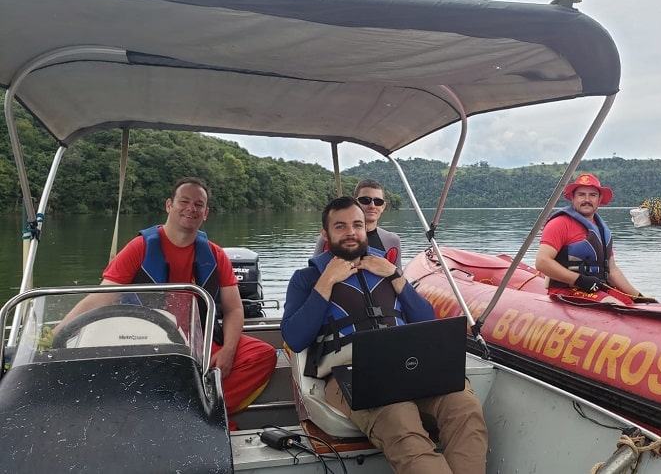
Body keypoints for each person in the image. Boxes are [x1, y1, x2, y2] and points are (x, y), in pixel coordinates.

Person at [283, 196, 488, 474]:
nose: (351, 232)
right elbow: (294, 338)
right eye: (340, 226)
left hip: (408, 367)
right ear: (325, 234)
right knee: (399, 419)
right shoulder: (307, 278)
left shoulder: (388, 271)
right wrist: (327, 280)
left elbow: (426, 321)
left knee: (464, 406)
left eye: (357, 224)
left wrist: (395, 275)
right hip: (350, 375)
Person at [54, 177, 277, 424]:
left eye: (199, 204)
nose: (191, 208)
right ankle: (179, 413)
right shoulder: (140, 248)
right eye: (184, 201)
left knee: (263, 355)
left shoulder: (215, 255)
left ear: (206, 213)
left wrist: (228, 350)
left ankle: (198, 414)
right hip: (147, 342)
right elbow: (99, 299)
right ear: (169, 205)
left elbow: (234, 309)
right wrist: (58, 332)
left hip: (199, 342)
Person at [535, 173, 643, 304]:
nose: (587, 199)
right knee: (617, 306)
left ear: (599, 199)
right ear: (573, 198)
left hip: (595, 290)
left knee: (632, 304)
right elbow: (542, 262)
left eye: (592, 195)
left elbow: (612, 271)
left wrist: (638, 297)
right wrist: (579, 280)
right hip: (567, 291)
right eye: (581, 194)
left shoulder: (601, 230)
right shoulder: (559, 223)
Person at [314, 179, 402, 269]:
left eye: (378, 202)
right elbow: (315, 272)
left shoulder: (392, 241)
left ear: (383, 206)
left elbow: (398, 277)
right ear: (355, 203)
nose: (372, 206)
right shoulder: (329, 238)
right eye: (365, 200)